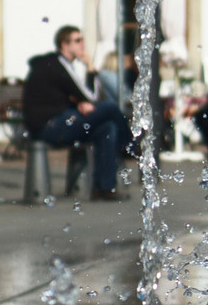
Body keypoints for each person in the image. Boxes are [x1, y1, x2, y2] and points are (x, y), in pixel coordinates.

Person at [22, 25, 133, 201]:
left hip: (57, 122)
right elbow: (92, 97)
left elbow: (86, 97)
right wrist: (90, 66)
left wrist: (81, 101)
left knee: (108, 128)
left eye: (82, 40)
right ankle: (130, 146)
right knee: (110, 107)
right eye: (77, 40)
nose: (82, 44)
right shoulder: (60, 64)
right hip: (51, 126)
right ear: (64, 45)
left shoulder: (56, 65)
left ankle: (103, 188)